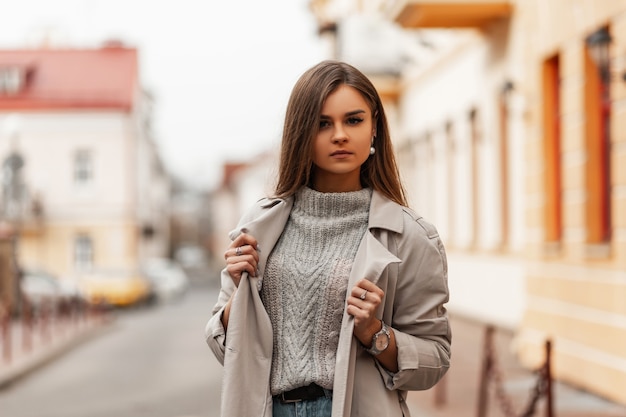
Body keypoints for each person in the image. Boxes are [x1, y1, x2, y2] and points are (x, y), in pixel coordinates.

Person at [205, 60, 451, 417]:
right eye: (322, 124)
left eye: (353, 120)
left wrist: (374, 331)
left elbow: (435, 359)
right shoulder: (259, 225)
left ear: (374, 129)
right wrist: (237, 301)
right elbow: (222, 347)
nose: (339, 135)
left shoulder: (411, 235)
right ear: (301, 134)